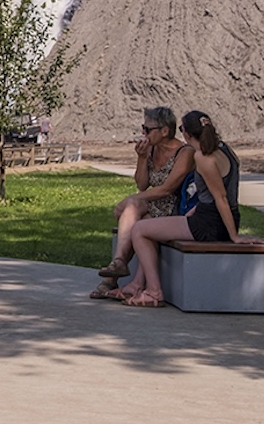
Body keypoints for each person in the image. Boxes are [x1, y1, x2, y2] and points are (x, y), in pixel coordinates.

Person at [111, 110, 242, 308]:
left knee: (139, 230)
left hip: (209, 224)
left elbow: (221, 198)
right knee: (147, 227)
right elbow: (220, 194)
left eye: (181, 130)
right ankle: (137, 285)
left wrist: (235, 237)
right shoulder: (226, 151)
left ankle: (154, 292)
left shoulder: (202, 158)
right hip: (211, 218)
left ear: (187, 134)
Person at [90, 106, 194, 298]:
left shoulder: (184, 152)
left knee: (137, 214)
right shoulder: (152, 149)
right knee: (135, 210)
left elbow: (168, 189)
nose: (143, 133)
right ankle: (119, 262)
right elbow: (142, 185)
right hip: (154, 204)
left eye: (147, 129)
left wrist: (131, 199)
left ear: (164, 131)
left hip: (175, 208)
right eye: (143, 128)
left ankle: (112, 280)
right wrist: (142, 158)